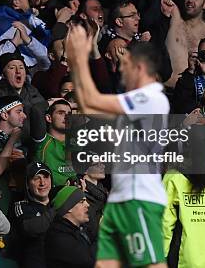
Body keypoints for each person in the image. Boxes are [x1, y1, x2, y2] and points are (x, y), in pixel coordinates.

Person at [66, 26, 169, 267]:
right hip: (120, 198)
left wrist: (79, 58)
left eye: (124, 66)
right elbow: (88, 106)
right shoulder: (133, 103)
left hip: (139, 198)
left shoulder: (152, 97)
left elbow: (92, 99)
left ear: (139, 68)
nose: (120, 72)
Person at [12, 161, 54, 268]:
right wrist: (62, 209)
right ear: (27, 184)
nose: (42, 183)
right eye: (36, 178)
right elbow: (29, 228)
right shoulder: (21, 206)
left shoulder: (56, 202)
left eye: (46, 177)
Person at [44, 185, 95, 268]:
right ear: (68, 207)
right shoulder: (58, 237)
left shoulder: (80, 229)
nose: (87, 204)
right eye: (82, 201)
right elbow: (90, 261)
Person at [35, 99, 76, 186]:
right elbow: (36, 110)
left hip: (74, 193)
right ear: (49, 118)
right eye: (61, 113)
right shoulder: (42, 140)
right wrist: (54, 101)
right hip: (51, 194)